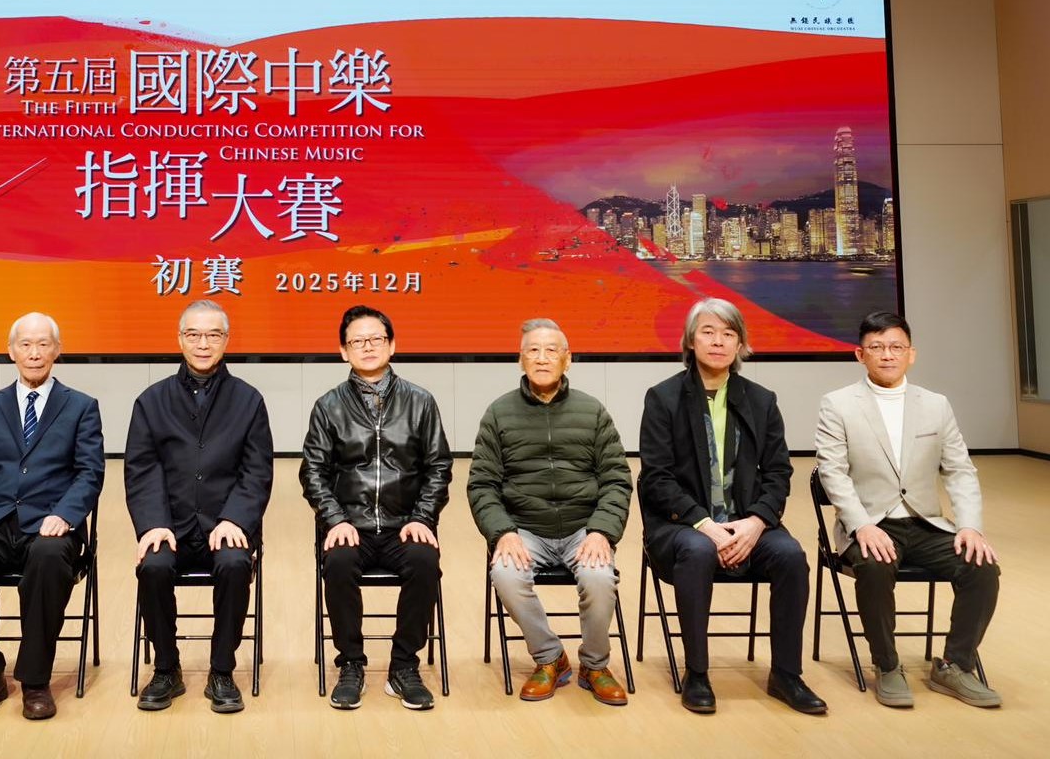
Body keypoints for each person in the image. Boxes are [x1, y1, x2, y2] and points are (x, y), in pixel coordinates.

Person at [637, 298, 826, 715]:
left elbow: (778, 472)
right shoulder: (664, 398)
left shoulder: (761, 400)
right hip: (682, 527)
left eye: (728, 334)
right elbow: (656, 478)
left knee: (791, 556)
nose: (718, 341)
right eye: (708, 332)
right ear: (691, 340)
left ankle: (787, 674)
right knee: (698, 550)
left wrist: (757, 522)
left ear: (740, 344)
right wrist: (705, 524)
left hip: (747, 525)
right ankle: (697, 673)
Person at [814, 310, 1001, 709]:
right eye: (877, 347)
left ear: (911, 354)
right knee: (874, 565)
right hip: (870, 523)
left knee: (982, 566)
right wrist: (861, 526)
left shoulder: (936, 405)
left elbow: (960, 470)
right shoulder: (838, 404)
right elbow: (833, 473)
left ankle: (955, 665)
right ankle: (887, 665)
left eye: (896, 347)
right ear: (859, 355)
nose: (887, 355)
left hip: (927, 524)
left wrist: (969, 526)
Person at [0, 313, 104, 721]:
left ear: (57, 350)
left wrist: (66, 514)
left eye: (43, 344)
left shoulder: (81, 407)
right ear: (11, 351)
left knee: (49, 558)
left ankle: (35, 681)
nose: (34, 353)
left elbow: (90, 472)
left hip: (51, 524)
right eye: (26, 345)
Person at [469, 318, 632, 706]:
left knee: (599, 578)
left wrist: (601, 531)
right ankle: (549, 658)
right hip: (524, 529)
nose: (542, 358)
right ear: (521, 359)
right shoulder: (499, 413)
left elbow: (617, 479)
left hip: (583, 529)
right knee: (505, 574)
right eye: (533, 351)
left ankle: (595, 665)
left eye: (551, 350)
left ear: (567, 359)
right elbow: (481, 484)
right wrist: (503, 532)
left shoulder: (592, 411)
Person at [300, 304, 452, 711]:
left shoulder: (420, 401)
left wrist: (422, 518)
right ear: (343, 351)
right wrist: (335, 520)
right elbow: (312, 471)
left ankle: (404, 666)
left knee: (424, 561)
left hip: (405, 524)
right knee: (338, 563)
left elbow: (439, 466)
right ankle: (351, 663)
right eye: (357, 341)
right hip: (350, 525)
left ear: (392, 345)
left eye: (375, 339)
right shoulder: (328, 405)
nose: (367, 347)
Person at [127, 300, 274, 713]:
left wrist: (236, 520)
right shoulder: (151, 400)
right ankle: (166, 668)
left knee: (234, 564)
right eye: (194, 335)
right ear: (180, 339)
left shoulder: (248, 400)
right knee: (153, 567)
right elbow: (141, 469)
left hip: (226, 524)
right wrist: (153, 524)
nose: (203, 344)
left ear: (227, 340)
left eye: (213, 335)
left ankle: (222, 670)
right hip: (169, 524)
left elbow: (257, 470)